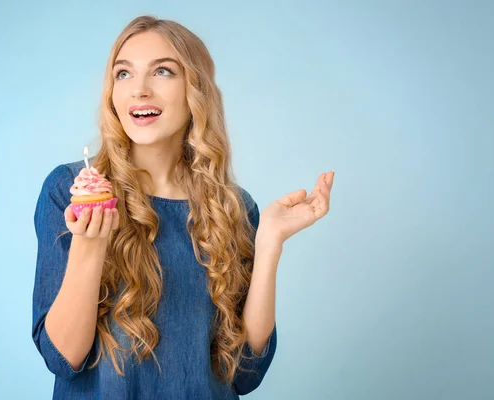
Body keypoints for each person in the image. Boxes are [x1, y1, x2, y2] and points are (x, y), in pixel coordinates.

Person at [32, 15, 335, 400]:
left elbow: (245, 374)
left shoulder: (235, 208)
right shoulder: (69, 191)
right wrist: (91, 243)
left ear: (197, 91)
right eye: (123, 74)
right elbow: (63, 358)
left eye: (162, 71)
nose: (139, 90)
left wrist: (269, 244)